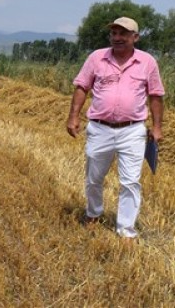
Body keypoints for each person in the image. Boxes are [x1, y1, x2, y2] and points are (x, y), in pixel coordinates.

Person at [66, 17, 164, 240]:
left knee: (130, 181)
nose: (117, 38)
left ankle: (126, 229)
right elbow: (82, 87)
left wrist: (157, 128)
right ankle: (93, 213)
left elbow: (156, 95)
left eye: (123, 33)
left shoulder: (147, 62)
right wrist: (73, 116)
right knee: (94, 177)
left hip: (132, 130)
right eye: (114, 33)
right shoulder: (97, 58)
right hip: (100, 129)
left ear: (135, 37)